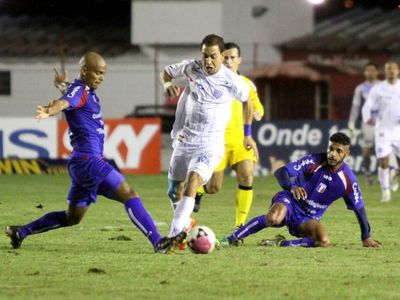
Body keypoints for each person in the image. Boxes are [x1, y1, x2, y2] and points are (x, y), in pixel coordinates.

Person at [5, 52, 177, 253]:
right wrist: (49, 111)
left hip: (80, 164)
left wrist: (61, 85)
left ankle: (21, 232)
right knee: (129, 194)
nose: (101, 77)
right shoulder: (80, 91)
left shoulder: (81, 90)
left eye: (103, 73)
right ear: (84, 71)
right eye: (98, 72)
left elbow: (70, 95)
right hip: (90, 162)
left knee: (72, 218)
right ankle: (158, 242)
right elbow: (64, 102)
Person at [161, 34, 257, 246]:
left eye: (213, 56)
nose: (208, 61)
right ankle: (185, 224)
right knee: (174, 191)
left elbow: (248, 102)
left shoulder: (232, 80)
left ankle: (173, 236)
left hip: (210, 144)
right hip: (186, 139)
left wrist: (247, 134)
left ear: (222, 56)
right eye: (205, 56)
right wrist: (167, 85)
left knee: (194, 180)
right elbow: (166, 73)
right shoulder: (191, 67)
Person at [219, 132, 381, 248]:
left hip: (308, 217)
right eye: (331, 148)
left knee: (323, 241)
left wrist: (366, 237)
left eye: (338, 151)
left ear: (346, 154)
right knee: (273, 218)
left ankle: (280, 243)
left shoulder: (348, 180)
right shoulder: (314, 161)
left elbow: (359, 209)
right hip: (289, 201)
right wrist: (291, 187)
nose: (332, 154)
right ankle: (232, 238)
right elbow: (281, 172)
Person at [193, 42, 263, 228]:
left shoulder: (246, 84)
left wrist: (257, 113)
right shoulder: (212, 82)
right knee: (214, 188)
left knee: (247, 176)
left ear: (239, 60)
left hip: (240, 142)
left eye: (233, 57)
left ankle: (240, 225)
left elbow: (257, 106)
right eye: (226, 57)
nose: (229, 61)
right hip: (218, 142)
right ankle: (199, 190)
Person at [362, 61, 400, 202]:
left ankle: (395, 173)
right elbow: (367, 106)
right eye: (388, 69)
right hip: (383, 129)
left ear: (398, 71)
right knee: (383, 160)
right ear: (385, 72)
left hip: (398, 130)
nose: (391, 71)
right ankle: (385, 190)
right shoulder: (378, 89)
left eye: (394, 68)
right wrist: (367, 118)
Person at [348, 63, 379, 185]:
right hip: (367, 124)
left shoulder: (382, 86)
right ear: (365, 73)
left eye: (372, 70)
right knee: (367, 150)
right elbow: (355, 107)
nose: (370, 72)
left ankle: (383, 176)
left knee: (383, 150)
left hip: (382, 124)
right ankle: (368, 174)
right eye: (368, 70)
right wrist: (351, 122)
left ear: (377, 72)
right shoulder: (360, 88)